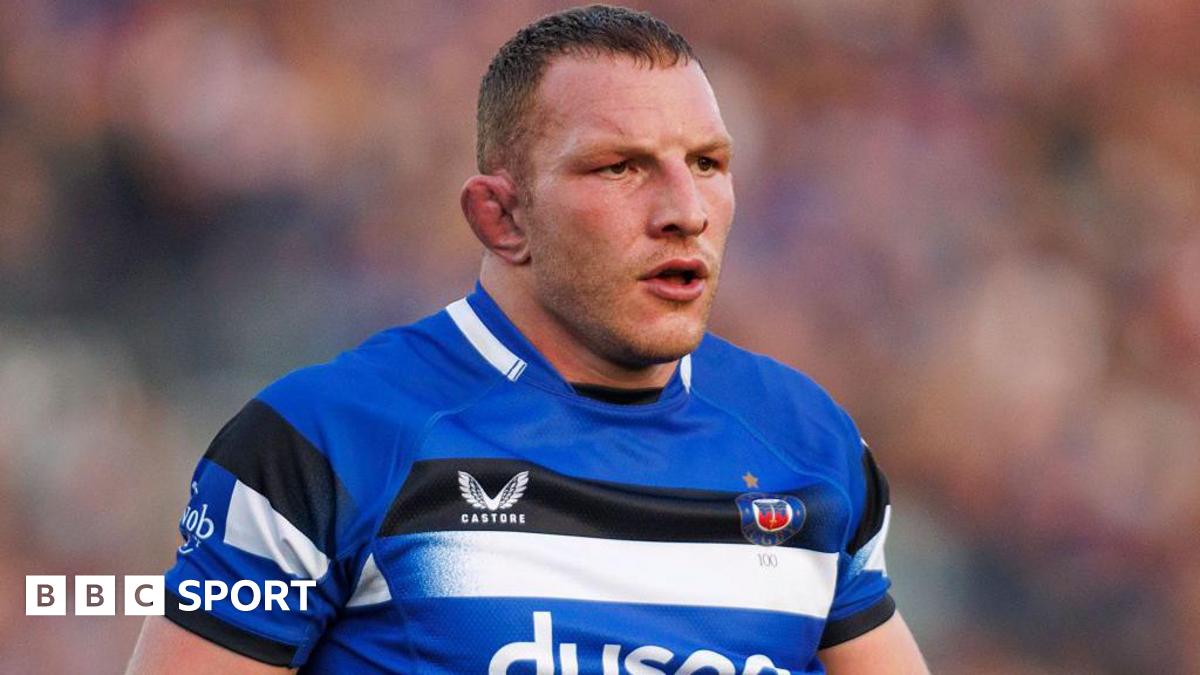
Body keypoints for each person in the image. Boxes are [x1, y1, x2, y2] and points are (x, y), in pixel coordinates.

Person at [128, 5, 928, 673]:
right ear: (501, 217)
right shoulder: (323, 442)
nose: (685, 210)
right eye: (621, 168)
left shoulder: (810, 444)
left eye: (708, 163)